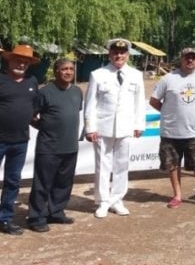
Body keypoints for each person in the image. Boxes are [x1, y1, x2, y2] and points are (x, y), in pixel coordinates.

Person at [149, 47, 195, 208]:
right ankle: (177, 196)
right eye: (187, 57)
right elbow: (154, 101)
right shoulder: (168, 79)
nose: (190, 60)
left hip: (194, 132)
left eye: (193, 57)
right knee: (173, 165)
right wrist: (169, 113)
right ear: (181, 59)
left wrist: (193, 112)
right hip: (171, 132)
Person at [84, 38, 145, 219]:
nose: (119, 56)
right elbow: (90, 104)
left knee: (122, 164)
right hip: (103, 127)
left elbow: (139, 102)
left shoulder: (136, 75)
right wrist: (90, 128)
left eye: (122, 53)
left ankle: (117, 200)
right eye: (115, 52)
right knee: (102, 165)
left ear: (127, 54)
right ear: (109, 54)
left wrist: (139, 124)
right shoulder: (98, 74)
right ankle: (103, 201)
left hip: (125, 127)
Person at [26, 58, 83, 232]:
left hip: (70, 147)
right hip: (48, 147)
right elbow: (31, 115)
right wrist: (44, 127)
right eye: (64, 69)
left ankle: (56, 212)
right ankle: (36, 217)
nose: (68, 72)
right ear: (56, 71)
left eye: (71, 69)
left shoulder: (77, 91)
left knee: (63, 183)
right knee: (43, 184)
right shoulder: (45, 92)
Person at [0, 44, 40, 235]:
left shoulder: (32, 82)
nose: (21, 64)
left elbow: (33, 111)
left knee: (13, 181)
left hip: (20, 141)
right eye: (18, 60)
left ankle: (5, 219)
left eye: (26, 61)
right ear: (9, 60)